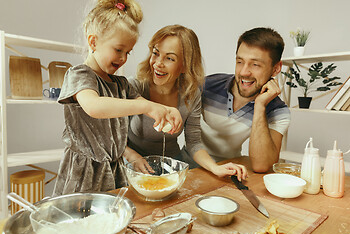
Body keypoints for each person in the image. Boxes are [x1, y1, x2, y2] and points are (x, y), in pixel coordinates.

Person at [52, 0, 182, 196]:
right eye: (118, 49)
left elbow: (141, 103)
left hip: (113, 169)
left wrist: (165, 109)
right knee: (82, 221)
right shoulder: (79, 75)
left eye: (128, 52)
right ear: (93, 42)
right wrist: (147, 107)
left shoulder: (121, 83)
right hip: (83, 171)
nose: (123, 58)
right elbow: (95, 107)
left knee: (113, 217)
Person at [124, 25, 247, 180]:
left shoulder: (191, 94)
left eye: (169, 58)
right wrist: (133, 157)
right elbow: (112, 139)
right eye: (155, 53)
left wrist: (215, 168)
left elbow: (194, 143)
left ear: (184, 66)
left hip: (170, 166)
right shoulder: (134, 87)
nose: (157, 63)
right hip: (132, 166)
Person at [200, 27, 291, 173]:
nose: (243, 72)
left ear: (275, 69)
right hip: (191, 164)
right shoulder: (206, 86)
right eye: (240, 62)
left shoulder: (278, 111)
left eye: (255, 64)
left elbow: (262, 165)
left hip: (231, 169)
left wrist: (260, 106)